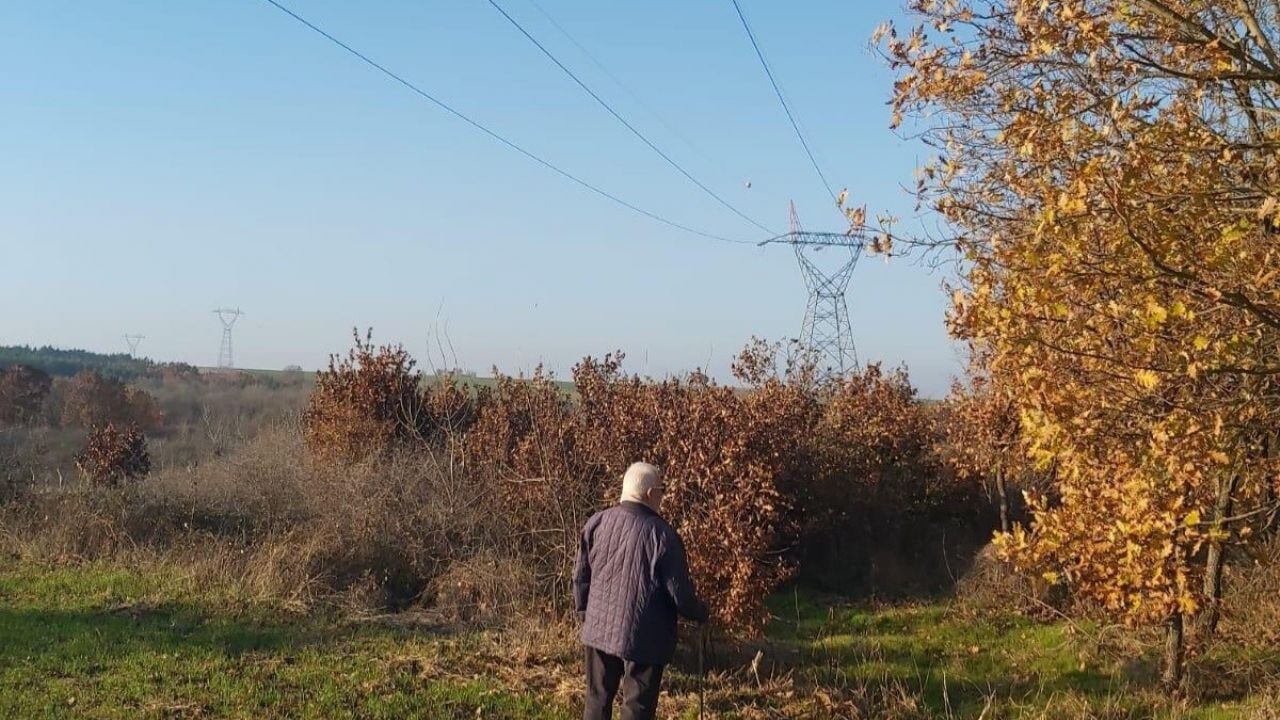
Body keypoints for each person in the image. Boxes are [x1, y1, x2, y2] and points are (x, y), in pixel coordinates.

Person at [573, 462, 709, 720]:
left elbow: (580, 575)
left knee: (597, 699)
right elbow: (680, 595)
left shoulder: (597, 522)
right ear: (649, 494)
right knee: (637, 708)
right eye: (661, 490)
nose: (663, 496)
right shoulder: (663, 536)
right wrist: (700, 612)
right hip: (644, 635)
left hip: (598, 628)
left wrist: (585, 613)